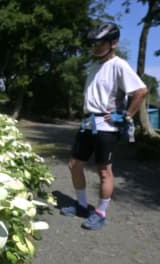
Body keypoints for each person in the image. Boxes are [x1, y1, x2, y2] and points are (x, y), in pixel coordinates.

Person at [60, 22, 148, 230]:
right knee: (74, 165)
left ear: (113, 43)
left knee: (104, 172)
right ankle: (82, 206)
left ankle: (100, 212)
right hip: (87, 123)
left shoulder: (119, 65)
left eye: (101, 42)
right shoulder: (93, 66)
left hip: (107, 127)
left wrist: (126, 116)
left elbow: (141, 91)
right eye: (93, 43)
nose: (96, 47)